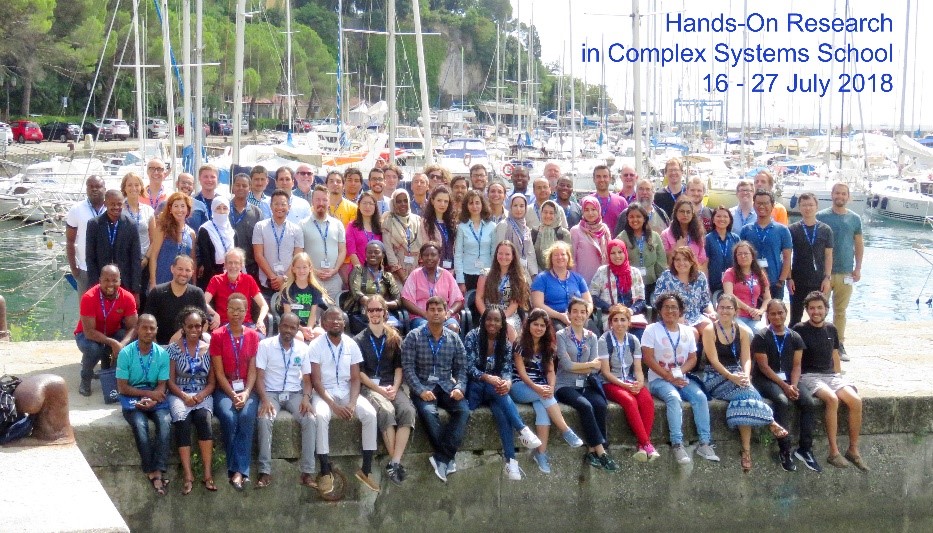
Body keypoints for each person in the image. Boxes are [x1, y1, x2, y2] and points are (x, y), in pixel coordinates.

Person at [701, 294, 788, 473]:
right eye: (722, 307)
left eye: (729, 308)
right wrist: (732, 377)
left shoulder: (742, 330)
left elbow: (747, 358)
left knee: (741, 402)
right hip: (715, 376)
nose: (725, 311)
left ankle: (746, 451)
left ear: (735, 311)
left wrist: (746, 375)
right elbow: (713, 361)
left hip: (737, 373)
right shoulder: (710, 330)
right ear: (717, 309)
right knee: (749, 393)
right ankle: (771, 421)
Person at [464, 306, 543, 480]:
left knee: (501, 412)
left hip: (494, 391)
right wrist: (487, 377)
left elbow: (507, 369)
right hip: (475, 389)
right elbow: (468, 367)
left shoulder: (505, 343)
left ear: (502, 324)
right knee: (496, 388)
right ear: (483, 320)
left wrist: (507, 382)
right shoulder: (472, 337)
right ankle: (522, 429)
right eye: (489, 319)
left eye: (496, 320)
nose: (492, 323)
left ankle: (511, 462)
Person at [792, 291, 868, 471]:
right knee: (832, 400)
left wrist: (839, 378)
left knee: (855, 401)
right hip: (809, 376)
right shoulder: (799, 330)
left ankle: (853, 449)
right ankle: (833, 452)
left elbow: (835, 356)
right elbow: (795, 360)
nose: (815, 312)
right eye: (811, 308)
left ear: (826, 309)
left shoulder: (831, 329)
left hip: (831, 376)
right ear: (807, 310)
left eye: (819, 308)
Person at [309, 307, 381, 493]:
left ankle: (366, 469)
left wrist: (352, 403)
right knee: (321, 415)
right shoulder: (315, 345)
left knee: (370, 414)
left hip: (348, 391)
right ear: (323, 324)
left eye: (339, 319)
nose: (336, 322)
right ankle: (325, 471)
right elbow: (316, 381)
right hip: (324, 392)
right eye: (331, 320)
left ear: (344, 322)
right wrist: (334, 405)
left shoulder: (351, 344)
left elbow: (356, 378)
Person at [642, 292, 718, 464]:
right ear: (660, 310)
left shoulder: (687, 331)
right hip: (658, 379)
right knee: (673, 398)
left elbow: (693, 358)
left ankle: (705, 443)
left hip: (681, 378)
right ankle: (677, 444)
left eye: (674, 307)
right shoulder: (651, 330)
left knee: (700, 397)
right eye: (666, 307)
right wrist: (668, 376)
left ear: (681, 311)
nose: (671, 310)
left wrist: (678, 373)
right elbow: (648, 358)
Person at [402, 296, 471, 482]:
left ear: (445, 312)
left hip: (446, 385)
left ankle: (442, 457)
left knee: (463, 410)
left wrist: (459, 387)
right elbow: (408, 368)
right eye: (431, 309)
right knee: (427, 412)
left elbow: (462, 368)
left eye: (439, 309)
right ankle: (447, 457)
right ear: (426, 312)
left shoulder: (454, 338)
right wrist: (420, 390)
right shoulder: (413, 337)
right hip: (424, 386)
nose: (435, 313)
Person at [510, 308, 585, 473]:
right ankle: (566, 431)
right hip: (520, 386)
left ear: (546, 327)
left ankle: (541, 454)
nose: (538, 328)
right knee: (546, 397)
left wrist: (551, 387)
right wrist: (538, 388)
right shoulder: (520, 344)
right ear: (529, 325)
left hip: (541, 388)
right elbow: (521, 373)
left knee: (543, 411)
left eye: (542, 325)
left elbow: (550, 371)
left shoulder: (548, 346)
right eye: (535, 324)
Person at [355, 295, 416, 485]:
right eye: (371, 310)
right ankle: (395, 463)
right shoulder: (359, 339)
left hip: (392, 385)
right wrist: (380, 390)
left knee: (407, 410)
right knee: (387, 411)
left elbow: (399, 368)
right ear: (367, 313)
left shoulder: (394, 337)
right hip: (370, 387)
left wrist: (395, 388)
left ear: (385, 312)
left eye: (378, 310)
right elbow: (360, 374)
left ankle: (394, 462)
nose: (375, 313)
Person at [751, 299, 817, 472]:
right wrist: (784, 386)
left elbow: (796, 366)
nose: (777, 316)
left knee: (808, 402)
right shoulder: (761, 337)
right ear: (768, 316)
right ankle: (785, 449)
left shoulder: (795, 337)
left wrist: (793, 385)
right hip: (765, 379)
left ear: (786, 313)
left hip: (789, 379)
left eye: (780, 312)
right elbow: (763, 367)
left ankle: (805, 448)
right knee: (781, 401)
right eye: (773, 313)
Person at [554, 297, 619, 472]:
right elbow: (566, 366)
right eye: (575, 311)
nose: (578, 315)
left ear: (587, 315)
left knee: (600, 404)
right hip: (565, 385)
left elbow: (596, 367)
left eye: (582, 312)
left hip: (586, 383)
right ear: (569, 313)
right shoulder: (561, 335)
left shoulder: (591, 336)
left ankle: (591, 451)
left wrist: (583, 367)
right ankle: (602, 451)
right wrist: (588, 365)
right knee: (585, 406)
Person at [255, 312, 317, 490]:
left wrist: (306, 398)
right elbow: (259, 377)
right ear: (279, 326)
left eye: (292, 327)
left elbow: (307, 380)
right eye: (285, 326)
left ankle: (307, 472)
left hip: (294, 393)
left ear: (298, 329)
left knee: (310, 419)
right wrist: (265, 399)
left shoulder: (303, 348)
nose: (288, 331)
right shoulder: (265, 345)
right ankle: (264, 471)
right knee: (264, 419)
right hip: (271, 393)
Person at [115, 314, 172, 495]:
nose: (148, 331)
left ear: (156, 330)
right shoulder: (126, 353)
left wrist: (154, 399)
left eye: (152, 328)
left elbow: (162, 385)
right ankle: (151, 472)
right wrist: (148, 395)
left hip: (155, 396)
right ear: (137, 328)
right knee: (140, 426)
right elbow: (122, 387)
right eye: (145, 327)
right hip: (132, 395)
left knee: (165, 423)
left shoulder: (162, 354)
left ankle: (160, 469)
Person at [209, 293, 260, 490]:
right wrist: (232, 394)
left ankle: (238, 472)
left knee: (246, 415)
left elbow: (253, 370)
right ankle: (237, 471)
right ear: (226, 311)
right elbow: (219, 373)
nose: (236, 313)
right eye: (232, 309)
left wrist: (246, 393)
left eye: (240, 310)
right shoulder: (218, 335)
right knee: (230, 419)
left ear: (246, 312)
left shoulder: (252, 335)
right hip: (225, 389)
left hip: (247, 389)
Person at [165, 307, 217, 494]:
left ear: (203, 327)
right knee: (182, 423)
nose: (194, 330)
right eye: (190, 326)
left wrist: (202, 395)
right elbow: (169, 381)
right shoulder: (173, 349)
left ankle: (207, 473)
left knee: (204, 420)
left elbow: (212, 382)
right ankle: (188, 475)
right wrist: (184, 396)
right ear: (183, 327)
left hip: (202, 393)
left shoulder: (210, 350)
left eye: (198, 326)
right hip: (180, 393)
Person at [598, 305, 658, 461]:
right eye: (615, 320)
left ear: (629, 322)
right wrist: (624, 386)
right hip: (610, 382)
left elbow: (638, 368)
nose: (619, 324)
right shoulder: (604, 340)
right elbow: (605, 372)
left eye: (623, 320)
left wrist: (639, 382)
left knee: (647, 401)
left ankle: (641, 446)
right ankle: (647, 443)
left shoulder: (633, 340)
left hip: (630, 380)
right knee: (629, 401)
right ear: (611, 323)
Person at [816, 182, 864, 361]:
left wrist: (858, 268)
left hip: (846, 272)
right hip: (824, 273)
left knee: (840, 310)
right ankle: (820, 343)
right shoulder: (821, 216)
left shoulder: (854, 219)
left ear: (848, 197)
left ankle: (839, 344)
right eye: (837, 193)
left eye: (844, 194)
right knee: (819, 309)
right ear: (832, 194)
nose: (840, 197)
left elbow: (858, 244)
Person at [75, 265, 138, 397]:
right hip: (87, 336)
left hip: (112, 333)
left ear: (120, 281)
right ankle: (85, 378)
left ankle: (113, 375)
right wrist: (112, 343)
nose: (111, 284)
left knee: (127, 341)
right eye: (106, 280)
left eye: (114, 280)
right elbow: (89, 332)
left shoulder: (127, 297)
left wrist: (121, 345)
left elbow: (133, 327)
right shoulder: (89, 297)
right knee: (93, 349)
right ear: (100, 280)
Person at [144, 255, 216, 344]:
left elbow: (204, 323)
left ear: (192, 272)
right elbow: (147, 321)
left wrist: (182, 334)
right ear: (172, 269)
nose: (184, 273)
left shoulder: (197, 293)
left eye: (187, 270)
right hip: (161, 346)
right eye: (180, 269)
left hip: (189, 346)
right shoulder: (157, 292)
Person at [788, 193, 834, 327]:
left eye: (810, 205)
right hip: (798, 280)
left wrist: (827, 278)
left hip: (818, 280)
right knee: (795, 317)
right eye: (804, 205)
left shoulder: (825, 230)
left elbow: (829, 255)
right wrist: (789, 278)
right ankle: (794, 345)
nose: (807, 208)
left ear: (816, 207)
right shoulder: (792, 229)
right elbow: (787, 256)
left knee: (818, 316)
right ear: (799, 207)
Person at [87, 189, 142, 298]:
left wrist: (135, 290)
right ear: (105, 204)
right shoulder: (94, 224)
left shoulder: (131, 225)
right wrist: (93, 286)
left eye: (119, 204)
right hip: (101, 282)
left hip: (125, 283)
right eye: (112, 204)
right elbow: (90, 258)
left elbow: (136, 259)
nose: (116, 207)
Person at [739, 190, 792, 300]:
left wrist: (781, 281)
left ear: (772, 205)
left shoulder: (782, 230)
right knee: (752, 315)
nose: (762, 206)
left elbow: (787, 258)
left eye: (765, 203)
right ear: (754, 205)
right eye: (759, 203)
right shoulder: (746, 230)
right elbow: (740, 256)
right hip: (751, 282)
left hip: (774, 282)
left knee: (774, 316)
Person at [253, 189, 305, 301]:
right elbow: (258, 255)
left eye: (283, 204)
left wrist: (284, 278)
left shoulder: (296, 230)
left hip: (290, 284)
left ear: (289, 207)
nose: (279, 207)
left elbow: (298, 258)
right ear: (271, 206)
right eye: (276, 204)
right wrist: (273, 277)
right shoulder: (260, 227)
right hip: (267, 284)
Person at [400, 242, 464, 331]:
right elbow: (406, 300)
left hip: (444, 317)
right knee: (427, 328)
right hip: (421, 317)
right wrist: (424, 314)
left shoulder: (447, 275)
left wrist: (449, 313)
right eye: (426, 255)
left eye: (433, 255)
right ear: (421, 257)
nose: (429, 258)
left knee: (452, 327)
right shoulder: (415, 274)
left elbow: (459, 300)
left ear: (439, 257)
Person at [653, 246, 715, 335]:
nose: (681, 263)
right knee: (693, 333)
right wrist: (675, 315)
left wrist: (712, 312)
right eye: (677, 260)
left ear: (691, 261)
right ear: (673, 262)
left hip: (696, 316)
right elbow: (657, 301)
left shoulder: (700, 277)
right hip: (673, 317)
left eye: (685, 259)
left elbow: (706, 301)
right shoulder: (666, 277)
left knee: (710, 328)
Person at [476, 241, 531, 341]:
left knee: (508, 327)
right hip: (488, 313)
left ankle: (511, 356)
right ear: (496, 254)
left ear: (513, 256)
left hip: (508, 315)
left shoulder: (519, 277)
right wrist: (487, 316)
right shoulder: (485, 274)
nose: (503, 257)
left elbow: (515, 303)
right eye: (500, 253)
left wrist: (501, 318)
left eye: (507, 254)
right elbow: (479, 298)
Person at [531, 241, 592, 328]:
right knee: (561, 334)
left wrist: (583, 316)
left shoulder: (578, 278)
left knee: (593, 331)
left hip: (579, 317)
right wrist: (560, 316)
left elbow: (589, 302)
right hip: (553, 318)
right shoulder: (541, 278)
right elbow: (538, 304)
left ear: (568, 257)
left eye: (563, 254)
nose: (560, 257)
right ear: (551, 258)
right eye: (556, 255)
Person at [301, 185, 346, 300]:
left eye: (324, 200)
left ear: (329, 201)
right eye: (318, 199)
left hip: (334, 279)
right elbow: (299, 253)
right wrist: (313, 271)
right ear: (312, 201)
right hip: (312, 278)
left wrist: (335, 270)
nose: (321, 203)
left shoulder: (337, 224)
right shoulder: (302, 225)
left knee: (334, 314)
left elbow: (342, 250)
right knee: (313, 314)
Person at [589, 240, 646, 332]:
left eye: (620, 252)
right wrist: (609, 308)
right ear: (608, 254)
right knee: (616, 331)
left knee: (639, 333)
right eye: (613, 253)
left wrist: (630, 311)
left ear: (625, 252)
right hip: (610, 315)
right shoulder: (602, 272)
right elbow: (592, 296)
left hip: (632, 316)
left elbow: (641, 299)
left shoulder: (635, 272)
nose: (617, 256)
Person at [345, 241, 402, 333]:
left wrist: (382, 307)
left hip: (383, 313)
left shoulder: (387, 276)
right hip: (360, 313)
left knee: (396, 329)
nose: (372, 255)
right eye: (369, 252)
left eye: (376, 252)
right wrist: (373, 306)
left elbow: (398, 300)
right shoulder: (358, 271)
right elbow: (356, 293)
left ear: (383, 255)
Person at [204, 248, 266, 330]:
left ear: (241, 265)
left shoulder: (248, 279)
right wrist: (214, 314)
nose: (233, 266)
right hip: (224, 325)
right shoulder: (216, 280)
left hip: (246, 324)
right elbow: (203, 302)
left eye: (236, 263)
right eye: (230, 262)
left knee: (259, 338)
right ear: (225, 265)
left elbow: (264, 305)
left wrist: (260, 320)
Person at [66, 175, 107, 295]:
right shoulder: (76, 209)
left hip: (108, 270)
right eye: (91, 186)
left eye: (98, 186)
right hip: (85, 269)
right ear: (86, 189)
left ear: (104, 188)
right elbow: (70, 241)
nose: (94, 189)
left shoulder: (111, 208)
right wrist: (74, 269)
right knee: (86, 311)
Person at [617, 204, 666, 301]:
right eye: (631, 217)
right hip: (630, 285)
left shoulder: (654, 236)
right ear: (627, 219)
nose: (635, 220)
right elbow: (618, 261)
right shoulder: (622, 237)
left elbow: (661, 261)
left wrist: (660, 282)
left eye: (638, 216)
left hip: (652, 284)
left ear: (644, 218)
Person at [148, 192, 196, 288]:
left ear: (187, 209)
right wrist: (153, 282)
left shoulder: (191, 233)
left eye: (183, 206)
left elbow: (193, 260)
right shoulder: (163, 229)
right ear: (170, 209)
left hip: (184, 281)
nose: (179, 210)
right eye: (176, 206)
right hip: (163, 278)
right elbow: (153, 257)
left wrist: (194, 283)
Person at [280, 252, 330, 341]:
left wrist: (309, 329)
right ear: (293, 269)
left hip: (309, 325)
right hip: (293, 326)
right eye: (298, 267)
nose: (301, 271)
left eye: (304, 267)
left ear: (310, 268)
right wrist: (302, 329)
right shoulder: (287, 290)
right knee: (298, 336)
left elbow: (313, 313)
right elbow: (287, 315)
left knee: (320, 334)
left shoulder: (314, 289)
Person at [722, 241, 771, 330]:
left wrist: (760, 311)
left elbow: (767, 298)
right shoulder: (730, 273)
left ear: (752, 256)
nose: (743, 256)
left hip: (753, 317)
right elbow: (729, 295)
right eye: (739, 254)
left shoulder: (759, 274)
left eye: (746, 253)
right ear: (735, 257)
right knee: (748, 334)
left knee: (764, 334)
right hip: (735, 316)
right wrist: (748, 309)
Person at [454, 190, 496, 293]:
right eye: (471, 203)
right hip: (467, 273)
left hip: (487, 273)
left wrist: (495, 275)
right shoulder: (462, 227)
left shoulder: (492, 226)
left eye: (477, 202)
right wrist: (460, 281)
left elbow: (494, 253)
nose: (474, 206)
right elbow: (458, 254)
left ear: (483, 204)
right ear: (466, 206)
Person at [382, 189, 424, 284]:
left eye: (405, 201)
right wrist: (403, 277)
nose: (403, 204)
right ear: (393, 203)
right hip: (397, 274)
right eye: (399, 201)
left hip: (417, 271)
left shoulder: (417, 220)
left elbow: (423, 247)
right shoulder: (388, 221)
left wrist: (419, 270)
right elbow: (389, 251)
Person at [495, 193, 540, 277]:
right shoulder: (504, 225)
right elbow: (498, 251)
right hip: (506, 272)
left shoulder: (526, 229)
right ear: (510, 207)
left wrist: (534, 275)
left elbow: (530, 254)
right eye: (515, 205)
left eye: (522, 206)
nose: (518, 209)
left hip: (523, 272)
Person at [229, 173, 263, 280]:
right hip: (227, 265)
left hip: (250, 266)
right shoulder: (223, 208)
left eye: (244, 186)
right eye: (237, 185)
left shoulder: (256, 212)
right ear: (232, 187)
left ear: (250, 188)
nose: (241, 188)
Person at [196, 196, 235, 289]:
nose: (221, 211)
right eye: (218, 208)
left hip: (232, 273)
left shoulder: (232, 231)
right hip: (212, 278)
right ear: (213, 210)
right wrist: (219, 280)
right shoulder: (205, 229)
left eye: (225, 208)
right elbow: (206, 259)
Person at [661, 197, 708, 273]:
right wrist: (676, 249)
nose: (685, 214)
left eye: (688, 212)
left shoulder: (698, 233)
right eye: (682, 211)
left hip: (694, 275)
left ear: (692, 214)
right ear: (676, 213)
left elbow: (703, 261)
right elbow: (665, 262)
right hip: (675, 276)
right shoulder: (665, 234)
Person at [121, 172, 156, 271]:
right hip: (125, 262)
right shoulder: (119, 211)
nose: (133, 188)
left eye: (137, 185)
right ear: (124, 188)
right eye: (129, 185)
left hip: (144, 261)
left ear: (141, 187)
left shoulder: (148, 210)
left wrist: (146, 258)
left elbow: (154, 239)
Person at [418, 185, 457, 271]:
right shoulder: (426, 223)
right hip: (434, 270)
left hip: (452, 270)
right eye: (439, 200)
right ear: (432, 201)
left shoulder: (451, 222)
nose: (442, 204)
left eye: (446, 201)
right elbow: (424, 246)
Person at [704, 206, 741, 295]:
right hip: (714, 284)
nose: (722, 219)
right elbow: (705, 265)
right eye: (718, 216)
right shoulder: (708, 239)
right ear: (713, 219)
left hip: (733, 283)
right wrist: (707, 286)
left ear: (730, 220)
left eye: (725, 216)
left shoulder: (735, 238)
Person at [346, 191, 384, 270]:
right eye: (364, 203)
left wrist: (379, 272)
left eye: (371, 203)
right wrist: (362, 273)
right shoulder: (352, 226)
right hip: (359, 272)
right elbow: (351, 252)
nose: (367, 206)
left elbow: (383, 251)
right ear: (359, 205)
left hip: (377, 272)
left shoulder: (380, 226)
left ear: (375, 207)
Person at [531, 200, 571, 271]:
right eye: (545, 212)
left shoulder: (563, 233)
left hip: (558, 276)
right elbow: (531, 257)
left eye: (551, 213)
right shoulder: (534, 232)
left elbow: (568, 258)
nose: (548, 215)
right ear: (541, 213)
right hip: (538, 275)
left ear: (557, 214)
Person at [587, 165, 628, 232]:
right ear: (594, 179)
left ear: (610, 179)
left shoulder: (621, 202)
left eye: (605, 176)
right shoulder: (587, 201)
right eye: (598, 176)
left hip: (615, 241)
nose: (602, 180)